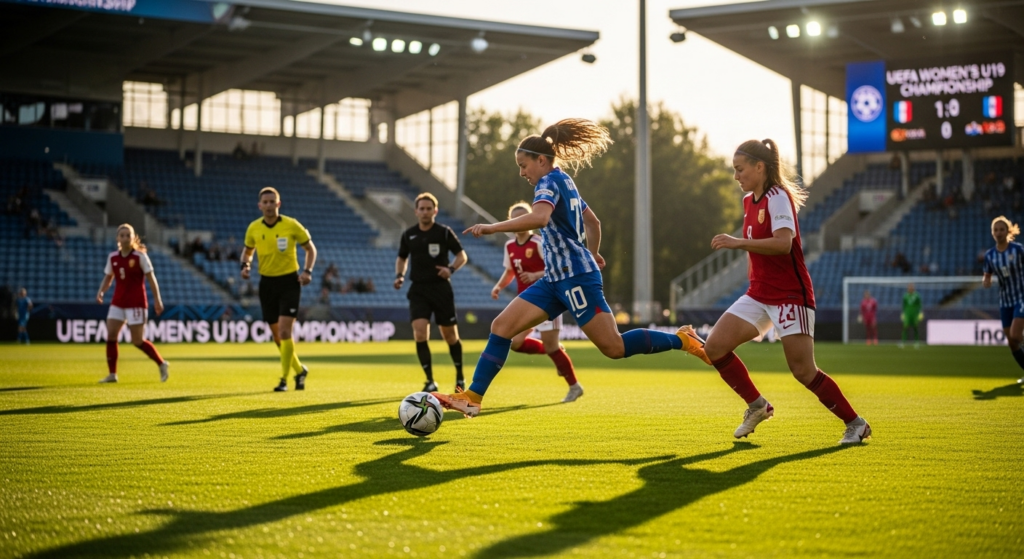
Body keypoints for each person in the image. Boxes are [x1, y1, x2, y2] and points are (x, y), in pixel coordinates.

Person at [436, 118, 708, 418]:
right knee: (501, 327)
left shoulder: (548, 182)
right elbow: (593, 222)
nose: (522, 172)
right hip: (555, 280)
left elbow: (540, 218)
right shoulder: (565, 181)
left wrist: (492, 227)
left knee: (614, 347)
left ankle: (682, 339)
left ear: (541, 160)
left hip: (576, 278)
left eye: (524, 165)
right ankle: (473, 397)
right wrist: (593, 253)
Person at [703, 138, 871, 445]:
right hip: (758, 293)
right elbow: (759, 250)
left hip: (790, 295)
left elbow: (783, 244)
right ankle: (757, 406)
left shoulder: (778, 197)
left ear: (759, 167)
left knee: (803, 371)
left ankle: (856, 424)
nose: (736, 176)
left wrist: (738, 243)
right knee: (714, 347)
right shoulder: (748, 201)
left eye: (740, 169)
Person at [491, 201, 583, 403]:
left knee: (551, 348)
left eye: (523, 218)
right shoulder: (509, 246)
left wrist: (535, 275)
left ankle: (574, 386)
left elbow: (559, 269)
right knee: (515, 343)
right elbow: (510, 271)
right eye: (515, 219)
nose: (519, 222)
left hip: (549, 300)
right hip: (526, 304)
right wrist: (498, 286)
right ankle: (556, 351)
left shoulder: (539, 243)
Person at [241, 187, 317, 392]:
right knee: (278, 337)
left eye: (272, 201)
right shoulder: (253, 228)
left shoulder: (291, 225)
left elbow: (310, 249)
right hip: (266, 284)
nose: (268, 205)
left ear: (278, 204)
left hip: (289, 283)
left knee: (284, 331)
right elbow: (247, 251)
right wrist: (245, 265)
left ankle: (284, 380)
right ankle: (299, 370)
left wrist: (308, 271)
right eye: (265, 202)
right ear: (259, 206)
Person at [394, 193, 468, 393]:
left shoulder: (444, 232)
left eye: (429, 209)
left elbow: (462, 256)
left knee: (450, 335)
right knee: (419, 333)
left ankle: (460, 377)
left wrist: (450, 269)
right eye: (422, 208)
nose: (425, 212)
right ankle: (429, 380)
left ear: (435, 211)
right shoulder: (408, 234)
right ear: (416, 211)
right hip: (418, 289)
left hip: (441, 289)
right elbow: (402, 258)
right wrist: (400, 276)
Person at [95, 224, 169, 383]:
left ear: (133, 237)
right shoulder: (113, 257)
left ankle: (161, 363)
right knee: (111, 335)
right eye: (122, 235)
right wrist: (101, 291)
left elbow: (151, 279)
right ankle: (112, 374)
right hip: (118, 302)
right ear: (117, 238)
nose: (125, 238)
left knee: (137, 341)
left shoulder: (140, 257)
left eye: (128, 235)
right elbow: (108, 278)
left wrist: (157, 299)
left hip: (136, 303)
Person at [981, 216, 1024, 383]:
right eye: (996, 230)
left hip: (1021, 297)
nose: (998, 232)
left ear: (1007, 231)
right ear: (992, 233)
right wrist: (986, 281)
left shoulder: (1018, 249)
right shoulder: (989, 255)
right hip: (1005, 301)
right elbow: (987, 275)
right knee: (1012, 343)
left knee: (1015, 334)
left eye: (1001, 229)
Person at [900, 283, 922, 348]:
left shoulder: (917, 296)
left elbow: (919, 304)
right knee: (905, 327)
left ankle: (916, 342)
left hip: (915, 314)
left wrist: (920, 312)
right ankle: (903, 342)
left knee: (916, 327)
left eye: (911, 287)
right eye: (909, 287)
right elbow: (903, 305)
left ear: (913, 288)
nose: (910, 288)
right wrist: (903, 313)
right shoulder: (905, 296)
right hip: (907, 314)